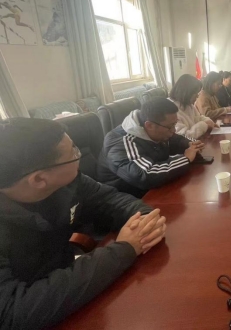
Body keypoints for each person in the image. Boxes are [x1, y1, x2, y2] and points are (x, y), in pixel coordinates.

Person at [0, 118, 166, 328]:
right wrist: (123, 249)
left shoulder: (69, 181)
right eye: (73, 153)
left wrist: (145, 221)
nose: (80, 155)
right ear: (39, 179)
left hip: (73, 291)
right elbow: (13, 312)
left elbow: (112, 200)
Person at [97, 97, 205, 198]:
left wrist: (190, 143)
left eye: (175, 124)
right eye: (170, 126)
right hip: (128, 197)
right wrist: (185, 159)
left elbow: (173, 138)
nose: (174, 130)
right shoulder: (120, 143)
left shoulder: (155, 128)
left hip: (154, 189)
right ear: (149, 125)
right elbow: (145, 175)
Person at [169, 74, 216, 140]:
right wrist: (205, 125)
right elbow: (185, 136)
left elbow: (199, 117)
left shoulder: (188, 105)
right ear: (186, 92)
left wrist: (209, 122)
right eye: (195, 93)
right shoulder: (171, 109)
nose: (197, 96)